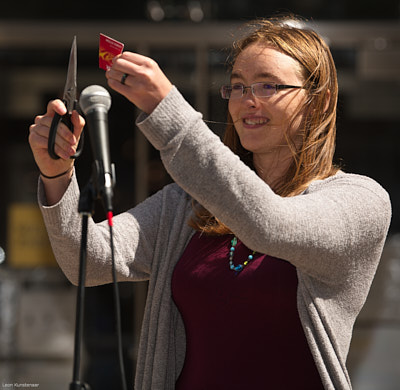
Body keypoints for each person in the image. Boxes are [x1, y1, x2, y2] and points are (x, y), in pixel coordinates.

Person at [28, 16, 391, 390]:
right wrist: (57, 176)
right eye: (237, 87)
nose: (248, 100)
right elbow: (86, 261)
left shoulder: (360, 202)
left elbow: (270, 223)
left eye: (268, 85)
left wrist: (168, 112)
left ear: (320, 101)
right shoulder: (187, 204)